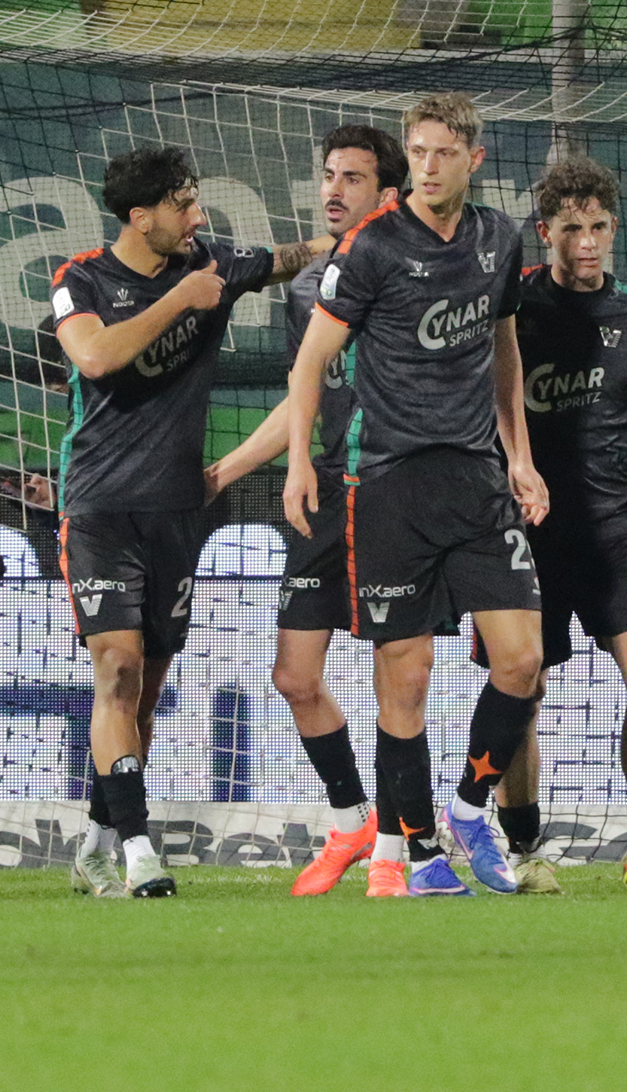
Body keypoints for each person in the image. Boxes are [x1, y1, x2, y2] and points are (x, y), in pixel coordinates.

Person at [284, 92, 548, 899]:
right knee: (407, 676)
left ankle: (467, 808)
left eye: (444, 154)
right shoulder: (371, 247)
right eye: (419, 152)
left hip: (476, 478)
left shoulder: (499, 238)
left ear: (474, 159)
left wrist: (520, 456)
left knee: (522, 660)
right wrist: (297, 463)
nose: (429, 167)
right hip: (390, 484)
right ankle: (423, 855)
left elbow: (505, 349)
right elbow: (309, 363)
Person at [53, 146, 331, 897]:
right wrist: (182, 299)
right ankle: (141, 850)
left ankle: (98, 840)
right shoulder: (81, 279)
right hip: (100, 507)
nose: (197, 215)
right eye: (183, 204)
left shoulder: (212, 262)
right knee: (116, 669)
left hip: (178, 510)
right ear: (140, 217)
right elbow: (95, 357)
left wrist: (356, 235)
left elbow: (289, 258)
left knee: (144, 690)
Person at [204, 125, 405, 895]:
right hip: (325, 491)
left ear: (387, 193)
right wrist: (227, 470)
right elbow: (304, 395)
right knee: (293, 675)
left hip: (395, 490)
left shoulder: (415, 276)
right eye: (328, 175)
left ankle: (398, 843)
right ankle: (353, 820)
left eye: (352, 177)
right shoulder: (306, 286)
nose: (333, 190)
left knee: (397, 675)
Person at [484, 154, 627, 895]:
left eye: (598, 226)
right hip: (525, 532)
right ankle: (523, 845)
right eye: (572, 229)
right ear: (546, 234)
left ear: (614, 228)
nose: (587, 241)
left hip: (612, 528)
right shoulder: (514, 313)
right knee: (521, 688)